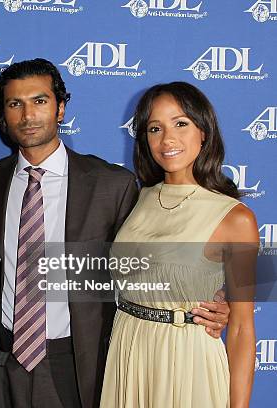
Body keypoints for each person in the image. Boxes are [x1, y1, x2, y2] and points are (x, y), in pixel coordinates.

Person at [0, 59, 232, 408]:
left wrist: (214, 300)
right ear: (3, 115)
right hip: (2, 359)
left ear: (61, 108)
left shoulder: (112, 184)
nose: (28, 115)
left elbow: (151, 264)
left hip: (78, 361)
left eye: (40, 101)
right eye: (15, 104)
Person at [100, 82, 257, 408]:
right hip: (128, 351)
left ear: (204, 131)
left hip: (188, 360)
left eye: (181, 123)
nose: (167, 138)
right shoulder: (134, 199)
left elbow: (241, 328)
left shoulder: (235, 218)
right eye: (155, 128)